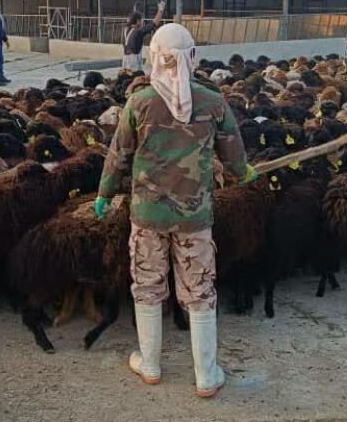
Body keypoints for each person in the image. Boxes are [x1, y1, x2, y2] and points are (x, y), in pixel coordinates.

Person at [94, 23, 257, 398]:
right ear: (193, 57)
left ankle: (150, 364)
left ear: (153, 58)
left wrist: (104, 194)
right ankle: (206, 375)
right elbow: (233, 153)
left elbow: (118, 156)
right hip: (194, 217)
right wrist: (244, 173)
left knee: (148, 285)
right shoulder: (213, 102)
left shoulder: (139, 102)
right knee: (200, 289)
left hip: (148, 215)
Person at [122, 0, 166, 71]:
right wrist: (161, 10)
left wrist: (135, 13)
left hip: (125, 60)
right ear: (137, 21)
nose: (143, 22)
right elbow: (154, 23)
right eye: (141, 20)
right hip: (134, 61)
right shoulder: (138, 32)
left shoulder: (126, 29)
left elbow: (130, 20)